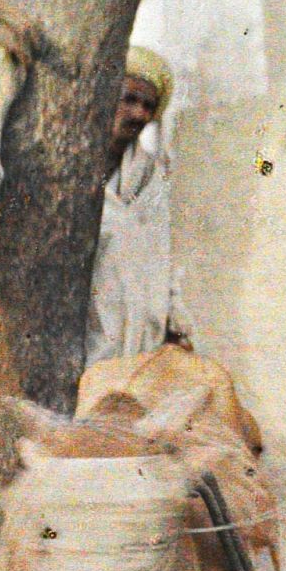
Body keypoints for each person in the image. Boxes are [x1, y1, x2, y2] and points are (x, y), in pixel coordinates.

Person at [86, 44, 193, 365]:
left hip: (141, 339)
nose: (139, 114)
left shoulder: (150, 178)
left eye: (148, 105)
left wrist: (175, 322)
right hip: (88, 335)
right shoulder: (74, 170)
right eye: (129, 99)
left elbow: (163, 253)